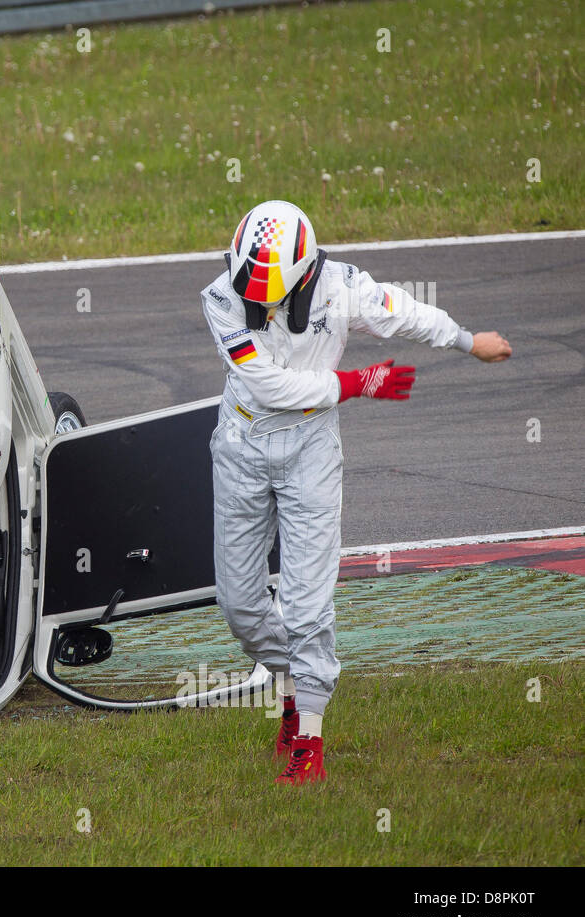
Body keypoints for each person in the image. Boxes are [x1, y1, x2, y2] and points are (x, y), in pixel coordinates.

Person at [201, 200, 511, 785]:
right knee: (239, 606)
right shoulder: (220, 298)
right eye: (249, 285)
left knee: (307, 602)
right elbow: (266, 384)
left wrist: (469, 341)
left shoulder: (343, 289)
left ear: (302, 276)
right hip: (241, 445)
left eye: (270, 294)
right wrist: (356, 382)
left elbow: (406, 314)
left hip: (311, 450)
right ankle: (292, 681)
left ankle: (308, 735)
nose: (256, 301)